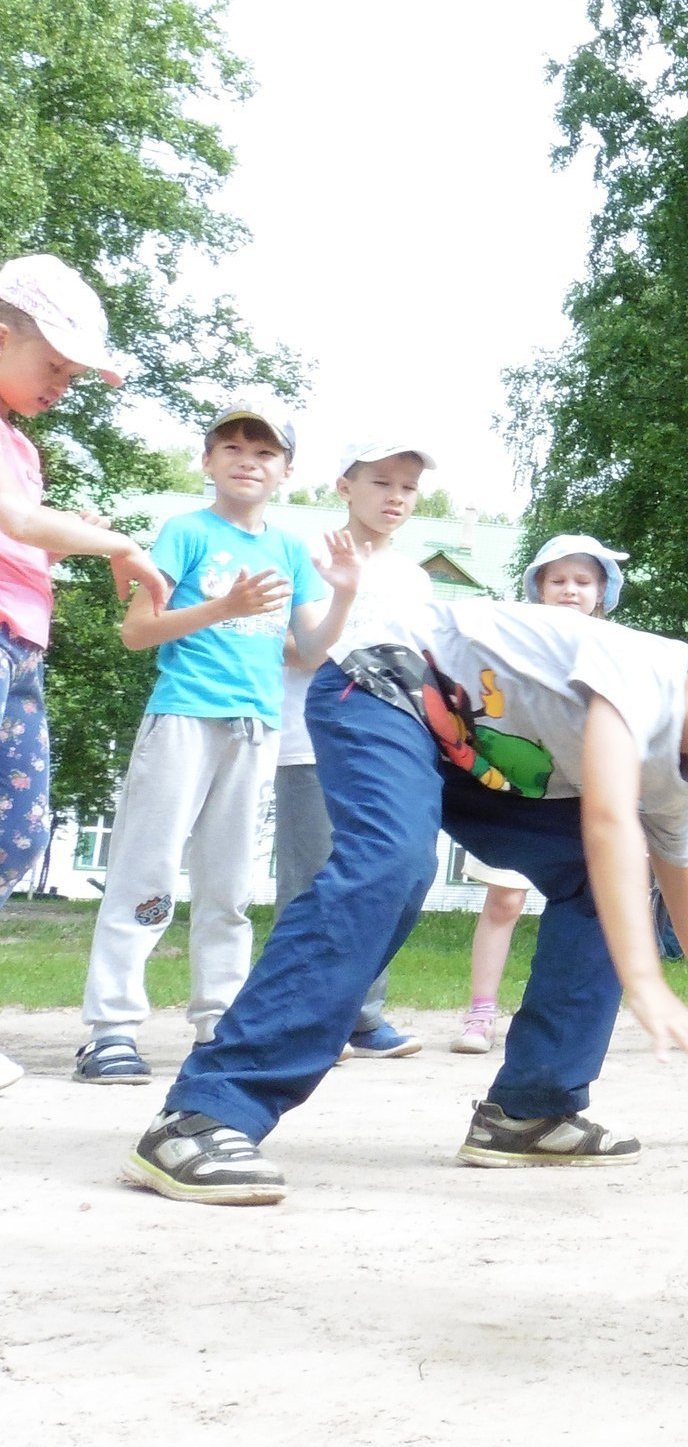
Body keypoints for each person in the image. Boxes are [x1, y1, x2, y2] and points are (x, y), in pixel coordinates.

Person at [117, 596, 688, 1203]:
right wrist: (646, 981)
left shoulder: (676, 783)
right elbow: (607, 818)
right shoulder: (643, 669)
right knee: (392, 863)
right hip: (388, 683)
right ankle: (207, 1112)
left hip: (468, 756)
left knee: (614, 886)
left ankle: (531, 1107)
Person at [75, 402, 352, 1085]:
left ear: (287, 471)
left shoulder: (289, 550)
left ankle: (217, 1024)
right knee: (147, 871)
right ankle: (111, 1028)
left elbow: (311, 651)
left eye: (263, 453)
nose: (246, 460)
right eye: (231, 446)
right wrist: (222, 609)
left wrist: (343, 597)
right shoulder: (185, 532)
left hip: (255, 728)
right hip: (184, 719)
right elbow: (139, 631)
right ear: (207, 461)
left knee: (229, 887)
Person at [0, 254, 172, 1095]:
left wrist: (93, 533)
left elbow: (30, 527)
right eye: (55, 366)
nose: (64, 385)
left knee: (19, 835)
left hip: (20, 650)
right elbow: (17, 519)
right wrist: (118, 543)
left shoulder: (19, 445)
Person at [273, 441, 437, 1062]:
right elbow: (290, 646)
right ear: (345, 486)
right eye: (382, 482)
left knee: (390, 873)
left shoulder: (415, 577)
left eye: (408, 487)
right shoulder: (307, 554)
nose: (395, 497)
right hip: (311, 741)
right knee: (314, 879)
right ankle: (300, 1018)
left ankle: (362, 1016)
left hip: (394, 747)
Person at [450, 531, 630, 1054]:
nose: (570, 590)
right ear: (539, 587)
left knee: (587, 906)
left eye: (582, 581)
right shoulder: (518, 636)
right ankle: (481, 1012)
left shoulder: (613, 645)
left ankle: (556, 1022)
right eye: (558, 580)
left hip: (581, 799)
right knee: (504, 900)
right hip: (516, 791)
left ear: (602, 592)